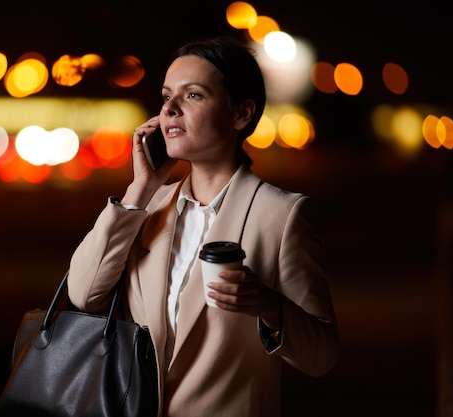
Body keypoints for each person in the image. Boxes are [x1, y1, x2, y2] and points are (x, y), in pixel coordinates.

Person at [67, 36, 339, 417]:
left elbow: (322, 354)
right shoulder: (145, 207)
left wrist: (268, 306)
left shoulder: (282, 214)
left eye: (193, 95)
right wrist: (140, 188)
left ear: (241, 114)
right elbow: (84, 294)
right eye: (166, 97)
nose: (170, 110)